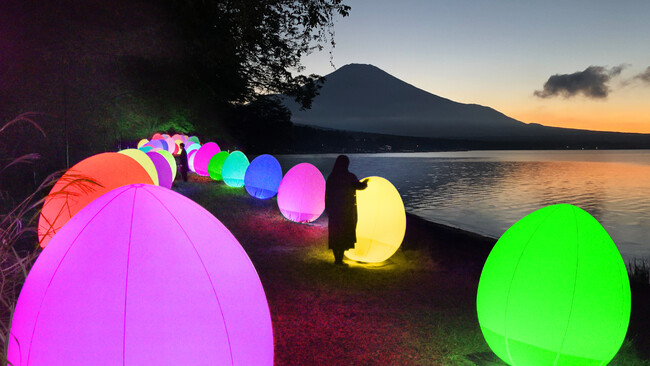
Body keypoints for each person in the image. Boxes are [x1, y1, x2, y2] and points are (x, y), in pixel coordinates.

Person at [325, 155, 368, 265]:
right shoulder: (349, 177)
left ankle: (337, 259)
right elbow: (359, 186)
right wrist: (366, 182)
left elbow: (327, 194)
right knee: (344, 233)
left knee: (336, 234)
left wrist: (328, 209)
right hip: (346, 211)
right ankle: (340, 259)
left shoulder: (331, 177)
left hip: (335, 211)